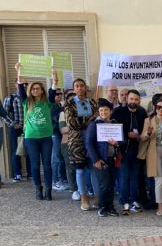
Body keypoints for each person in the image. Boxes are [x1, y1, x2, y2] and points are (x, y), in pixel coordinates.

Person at [15, 63, 59, 200]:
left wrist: (54, 75)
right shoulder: (26, 101)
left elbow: (53, 87)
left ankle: (48, 190)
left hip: (46, 137)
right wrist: (19, 71)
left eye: (37, 88)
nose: (35, 90)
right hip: (31, 138)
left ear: (41, 91)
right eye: (33, 88)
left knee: (47, 164)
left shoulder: (48, 101)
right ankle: (38, 189)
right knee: (34, 164)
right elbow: (21, 86)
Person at [111, 89, 147, 215]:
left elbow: (145, 129)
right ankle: (124, 200)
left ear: (139, 100)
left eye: (136, 99)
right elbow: (113, 129)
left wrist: (142, 135)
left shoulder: (142, 112)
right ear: (127, 99)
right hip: (123, 150)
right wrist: (127, 134)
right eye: (131, 99)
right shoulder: (118, 112)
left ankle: (135, 200)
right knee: (124, 177)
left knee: (135, 177)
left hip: (138, 150)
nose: (133, 101)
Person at [139, 99, 162, 217]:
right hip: (154, 154)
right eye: (159, 107)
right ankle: (160, 207)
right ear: (155, 108)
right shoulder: (148, 120)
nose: (161, 110)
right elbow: (142, 137)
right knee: (159, 181)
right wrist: (148, 134)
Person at [65, 78, 99, 210]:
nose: (79, 88)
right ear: (74, 89)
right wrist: (90, 118)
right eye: (77, 86)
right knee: (80, 170)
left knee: (93, 169)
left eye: (81, 86)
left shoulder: (92, 102)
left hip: (91, 139)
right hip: (76, 141)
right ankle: (84, 198)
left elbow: (97, 120)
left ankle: (97, 196)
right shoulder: (69, 104)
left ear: (85, 88)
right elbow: (72, 124)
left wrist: (90, 120)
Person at [85, 99, 120, 217]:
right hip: (101, 159)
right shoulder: (94, 125)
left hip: (113, 159)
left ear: (111, 111)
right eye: (101, 110)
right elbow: (89, 143)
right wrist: (96, 160)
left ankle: (110, 207)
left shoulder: (115, 124)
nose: (103, 112)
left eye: (106, 110)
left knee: (111, 184)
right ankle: (102, 207)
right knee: (104, 185)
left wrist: (117, 143)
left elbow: (122, 140)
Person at [2, 83, 27, 182]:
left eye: (26, 84)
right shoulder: (10, 98)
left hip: (28, 128)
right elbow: (3, 114)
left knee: (29, 150)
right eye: (21, 84)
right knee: (15, 150)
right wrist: (12, 124)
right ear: (16, 85)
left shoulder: (29, 98)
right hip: (15, 128)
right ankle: (17, 174)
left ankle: (30, 174)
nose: (24, 85)